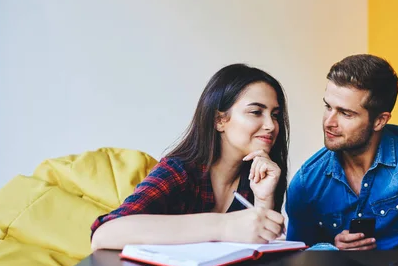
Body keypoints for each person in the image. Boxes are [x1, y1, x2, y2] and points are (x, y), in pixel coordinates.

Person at [91, 64, 289, 250]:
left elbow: (262, 262)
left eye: (275, 115)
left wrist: (264, 200)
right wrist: (222, 226)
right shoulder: (179, 171)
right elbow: (104, 235)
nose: (271, 126)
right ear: (220, 120)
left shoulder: (264, 174)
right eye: (256, 112)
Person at [286, 54, 398, 250]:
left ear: (379, 121)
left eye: (345, 113)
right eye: (328, 107)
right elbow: (297, 258)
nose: (329, 122)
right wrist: (332, 249)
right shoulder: (306, 183)